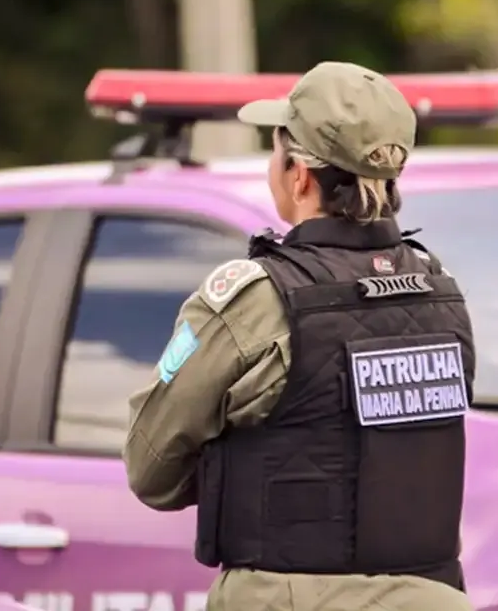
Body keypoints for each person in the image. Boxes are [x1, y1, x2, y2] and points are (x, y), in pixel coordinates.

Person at [122, 61, 477, 611]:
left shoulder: (255, 298)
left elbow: (152, 472)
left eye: (276, 151)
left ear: (299, 175)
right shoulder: (441, 291)